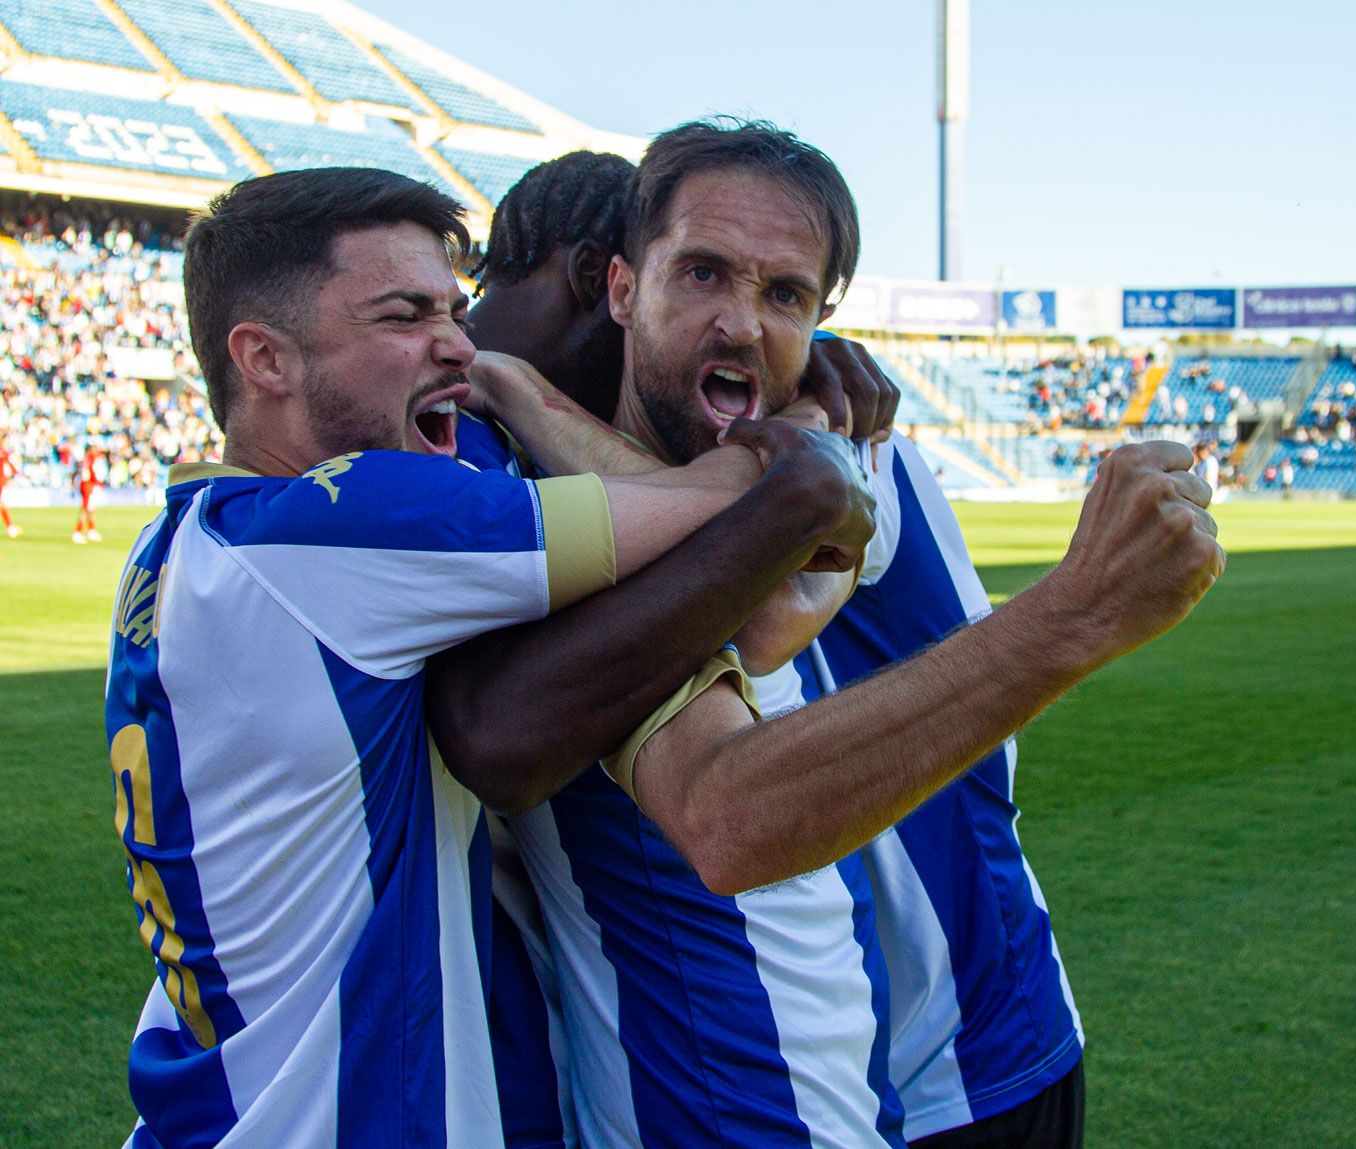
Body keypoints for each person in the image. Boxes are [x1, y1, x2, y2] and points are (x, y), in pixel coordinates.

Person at [465, 122, 1222, 1148]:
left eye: (785, 295)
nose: (739, 322)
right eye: (701, 275)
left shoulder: (854, 448)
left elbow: (763, 593)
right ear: (618, 289)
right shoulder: (569, 489)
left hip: (972, 1039)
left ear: (823, 319)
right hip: (835, 1076)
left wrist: (517, 386)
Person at [104, 165, 882, 1147]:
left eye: (456, 309)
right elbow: (744, 513)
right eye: (403, 316)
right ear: (265, 359)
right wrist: (808, 429)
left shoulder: (177, 549)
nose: (458, 344)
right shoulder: (354, 525)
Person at [73, 439, 105, 543]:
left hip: (87, 484)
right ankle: (78, 532)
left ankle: (91, 530)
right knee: (85, 508)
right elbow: (93, 472)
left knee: (90, 509)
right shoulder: (91, 458)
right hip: (88, 485)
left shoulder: (86, 458)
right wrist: (98, 483)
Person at [0, 442, 17, 538]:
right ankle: (10, 527)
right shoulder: (3, 452)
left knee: (2, 504)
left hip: (1, 481)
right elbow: (9, 464)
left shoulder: (3, 452)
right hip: (1, 480)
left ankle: (10, 527)